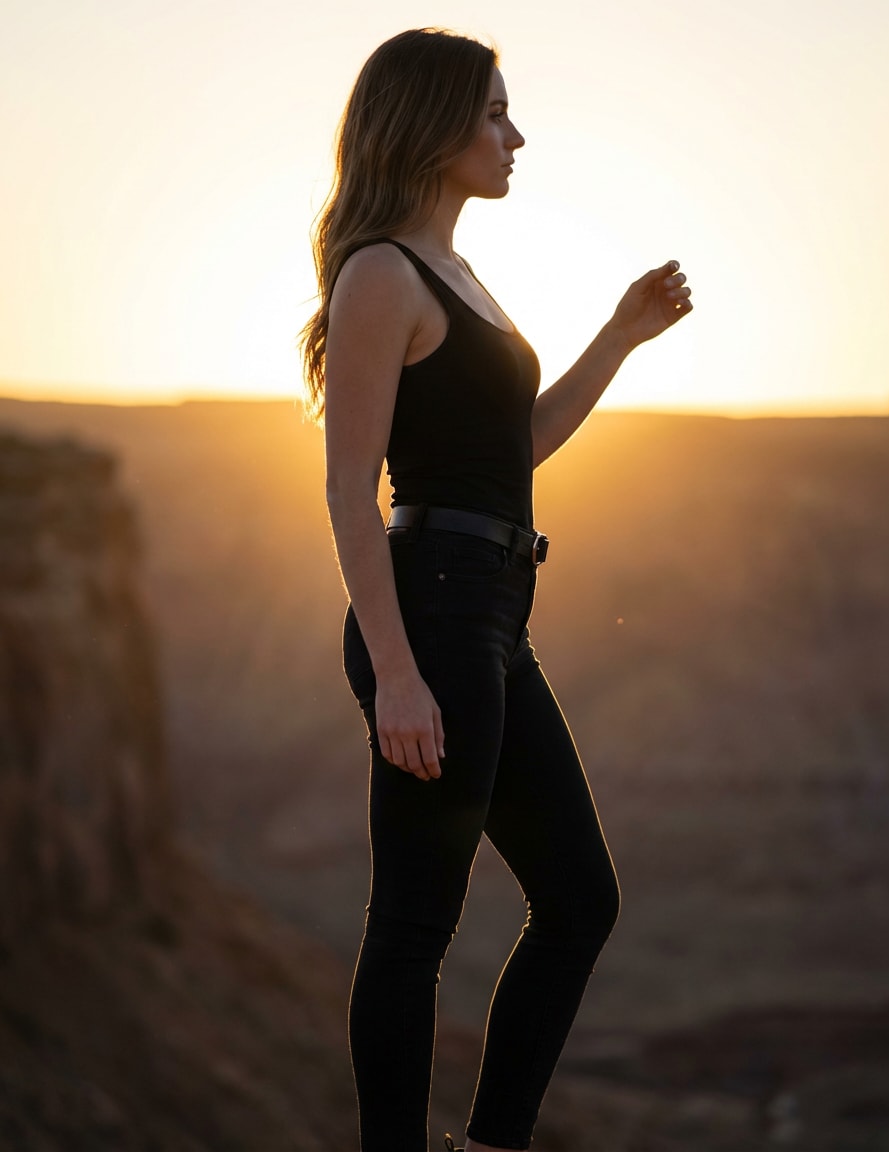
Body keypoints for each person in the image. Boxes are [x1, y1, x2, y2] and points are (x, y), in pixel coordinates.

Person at [300, 27, 693, 1152]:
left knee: (579, 901)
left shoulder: (457, 272)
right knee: (416, 925)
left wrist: (618, 335)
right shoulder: (381, 272)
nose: (514, 136)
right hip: (427, 610)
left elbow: (511, 450)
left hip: (489, 610)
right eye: (493, 114)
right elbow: (345, 491)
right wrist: (396, 677)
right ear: (429, 125)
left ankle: (489, 1145)